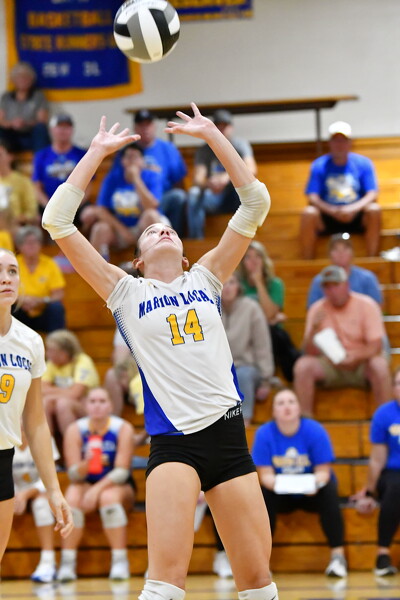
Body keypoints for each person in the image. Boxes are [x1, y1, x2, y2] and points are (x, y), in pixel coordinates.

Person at [42, 104, 278, 600]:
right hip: (175, 444)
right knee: (166, 582)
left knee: (258, 583)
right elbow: (57, 220)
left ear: (187, 257)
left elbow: (255, 201)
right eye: (151, 231)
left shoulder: (206, 278)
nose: (163, 229)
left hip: (229, 437)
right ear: (138, 259)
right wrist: (96, 153)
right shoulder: (124, 291)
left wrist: (212, 136)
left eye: (169, 227)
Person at [0, 247, 73, 564]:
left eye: (12, 271)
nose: (6, 278)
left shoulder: (30, 341)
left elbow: (36, 422)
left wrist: (53, 489)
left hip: (4, 458)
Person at [252, 389, 347, 578]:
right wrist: (289, 486)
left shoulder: (315, 430)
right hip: (280, 494)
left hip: (311, 493)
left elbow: (323, 473)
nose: (286, 406)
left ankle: (338, 557)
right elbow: (266, 476)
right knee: (262, 496)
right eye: (280, 403)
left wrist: (311, 485)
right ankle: (262, 563)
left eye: (291, 402)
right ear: (273, 411)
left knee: (329, 490)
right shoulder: (264, 433)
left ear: (299, 408)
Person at [57, 387, 135, 582]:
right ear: (85, 405)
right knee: (71, 498)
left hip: (117, 485)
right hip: (85, 482)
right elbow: (73, 474)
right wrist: (85, 465)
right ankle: (67, 562)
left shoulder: (122, 428)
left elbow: (122, 472)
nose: (97, 405)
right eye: (92, 401)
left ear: (110, 405)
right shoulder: (75, 430)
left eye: (102, 401)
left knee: (108, 498)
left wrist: (96, 491)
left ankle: (120, 560)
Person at [293, 265, 391, 416]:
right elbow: (308, 352)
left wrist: (355, 356)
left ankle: (388, 420)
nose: (332, 291)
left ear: (347, 285)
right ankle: (305, 421)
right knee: (302, 366)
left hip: (362, 363)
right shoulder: (316, 310)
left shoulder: (367, 305)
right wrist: (313, 329)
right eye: (327, 287)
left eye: (336, 285)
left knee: (380, 365)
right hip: (330, 364)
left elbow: (376, 346)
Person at [300, 121, 381, 259]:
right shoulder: (319, 165)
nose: (339, 144)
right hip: (328, 215)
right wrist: (333, 210)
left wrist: (352, 209)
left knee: (374, 209)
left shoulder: (363, 163)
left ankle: (372, 259)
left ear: (350, 143)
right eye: (336, 140)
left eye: (343, 140)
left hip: (356, 215)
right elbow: (312, 196)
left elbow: (372, 193)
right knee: (308, 213)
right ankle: (308, 261)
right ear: (330, 143)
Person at [80, 142, 166, 259]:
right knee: (100, 228)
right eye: (128, 157)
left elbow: (152, 206)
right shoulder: (112, 178)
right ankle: (96, 267)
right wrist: (123, 231)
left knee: (151, 215)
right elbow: (101, 210)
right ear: (122, 161)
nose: (132, 161)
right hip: (120, 228)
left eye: (136, 157)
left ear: (142, 161)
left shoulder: (152, 176)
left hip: (143, 227)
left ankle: (158, 262)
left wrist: (136, 179)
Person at [352, 367, 400, 576]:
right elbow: (377, 459)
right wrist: (369, 492)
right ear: (393, 388)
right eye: (398, 383)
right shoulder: (384, 414)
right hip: (392, 473)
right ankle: (382, 555)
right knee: (396, 487)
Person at [187, 109, 257, 238]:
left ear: (231, 127)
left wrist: (226, 178)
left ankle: (247, 238)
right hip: (213, 195)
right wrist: (210, 183)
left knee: (250, 192)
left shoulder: (240, 145)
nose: (222, 129)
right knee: (193, 194)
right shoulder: (204, 150)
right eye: (218, 126)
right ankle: (196, 241)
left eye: (225, 126)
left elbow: (251, 170)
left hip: (235, 194)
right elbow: (197, 179)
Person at [239, 240, 301, 382]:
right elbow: (268, 316)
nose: (253, 261)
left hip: (270, 335)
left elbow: (268, 314)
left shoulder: (275, 284)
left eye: (257, 256)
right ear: (242, 262)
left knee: (274, 333)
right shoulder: (237, 284)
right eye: (248, 257)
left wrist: (259, 282)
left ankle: (274, 377)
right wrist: (271, 318)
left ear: (264, 260)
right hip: (243, 333)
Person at [119, 109, 187, 237]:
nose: (145, 128)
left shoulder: (168, 148)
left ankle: (177, 238)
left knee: (178, 196)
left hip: (161, 197)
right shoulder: (127, 151)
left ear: (154, 126)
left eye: (148, 124)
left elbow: (179, 181)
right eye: (141, 125)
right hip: (130, 197)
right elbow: (117, 179)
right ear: (135, 127)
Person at [221, 271, 274, 425]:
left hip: (248, 368)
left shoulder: (252, 308)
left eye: (232, 282)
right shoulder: (209, 308)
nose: (227, 287)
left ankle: (245, 423)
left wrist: (266, 379)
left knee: (242, 376)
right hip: (221, 371)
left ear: (238, 286)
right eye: (223, 283)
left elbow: (262, 345)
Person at [12, 427, 60, 582]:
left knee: (41, 505)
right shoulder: (5, 438)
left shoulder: (45, 438)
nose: (21, 424)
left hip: (40, 489)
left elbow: (51, 475)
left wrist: (27, 494)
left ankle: (48, 561)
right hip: (12, 490)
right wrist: (14, 495)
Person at [32, 113, 89, 222]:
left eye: (67, 127)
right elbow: (37, 188)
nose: (63, 130)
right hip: (48, 205)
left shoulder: (81, 155)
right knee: (34, 217)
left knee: (90, 214)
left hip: (76, 206)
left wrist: (72, 208)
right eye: (59, 127)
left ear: (72, 130)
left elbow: (89, 186)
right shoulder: (41, 155)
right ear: (51, 130)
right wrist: (49, 207)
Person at [42, 329, 100, 436]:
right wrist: (67, 391)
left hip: (87, 407)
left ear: (64, 352)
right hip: (65, 403)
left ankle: (72, 442)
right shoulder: (52, 364)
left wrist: (53, 394)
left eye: (52, 350)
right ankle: (49, 443)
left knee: (63, 404)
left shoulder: (82, 361)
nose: (47, 354)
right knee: (44, 402)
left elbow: (76, 394)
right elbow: (42, 390)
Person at [12, 225, 66, 333]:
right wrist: (21, 299)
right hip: (19, 309)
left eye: (34, 242)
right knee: (8, 307)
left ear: (40, 244)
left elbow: (58, 294)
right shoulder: (12, 264)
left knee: (56, 308)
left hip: (43, 311)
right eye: (27, 242)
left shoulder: (50, 264)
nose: (31, 246)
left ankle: (56, 341)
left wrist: (41, 301)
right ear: (19, 246)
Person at [307, 232, 382, 308]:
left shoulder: (367, 278)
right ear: (329, 254)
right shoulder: (320, 281)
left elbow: (376, 308)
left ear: (352, 253)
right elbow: (313, 310)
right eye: (335, 249)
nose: (341, 253)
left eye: (345, 248)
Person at [0, 62, 50, 152]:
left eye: (26, 77)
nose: (22, 80)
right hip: (11, 136)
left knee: (40, 129)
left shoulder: (38, 96)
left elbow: (42, 120)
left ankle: (39, 158)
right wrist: (12, 123)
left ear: (31, 79)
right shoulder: (6, 97)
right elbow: (1, 120)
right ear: (13, 80)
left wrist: (25, 123)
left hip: (30, 136)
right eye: (19, 77)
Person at [0, 138, 38, 230]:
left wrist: (19, 219)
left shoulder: (23, 181)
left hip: (17, 228)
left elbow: (32, 212)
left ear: (10, 156)